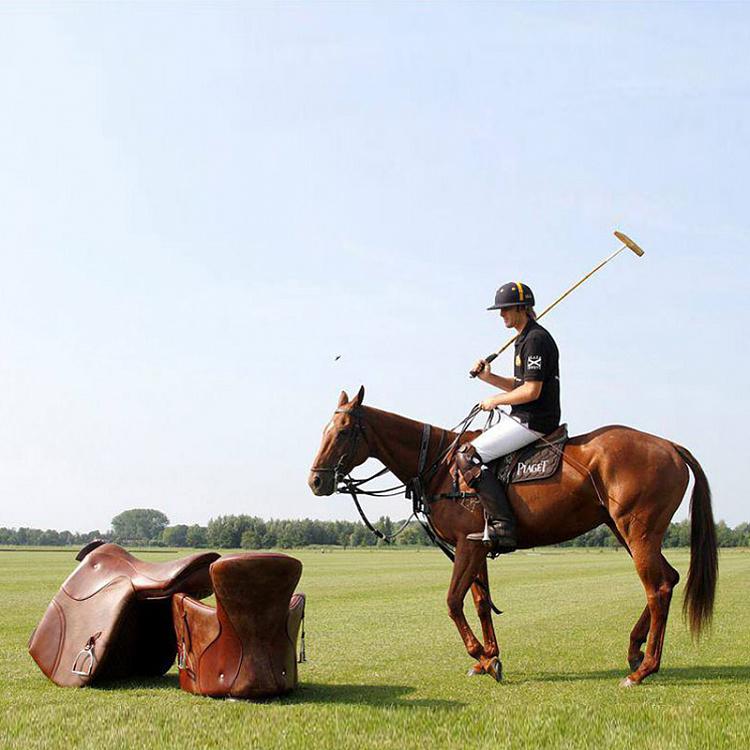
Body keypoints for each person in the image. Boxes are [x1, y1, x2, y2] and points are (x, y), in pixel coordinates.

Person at [456, 282, 561, 553]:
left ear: (522, 308)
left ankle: (503, 525)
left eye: (505, 310)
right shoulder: (523, 339)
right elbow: (519, 385)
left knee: (468, 456)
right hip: (523, 416)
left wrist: (494, 401)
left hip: (533, 420)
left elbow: (532, 390)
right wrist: (488, 378)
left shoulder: (536, 339)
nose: (501, 315)